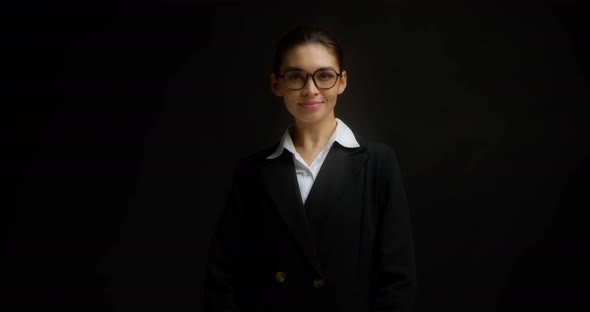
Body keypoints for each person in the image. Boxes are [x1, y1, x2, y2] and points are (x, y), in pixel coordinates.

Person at [204, 25, 416, 312]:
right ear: (276, 84)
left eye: (324, 76)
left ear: (342, 82)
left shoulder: (378, 163)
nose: (310, 89)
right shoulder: (252, 172)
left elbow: (398, 282)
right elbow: (221, 277)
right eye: (295, 76)